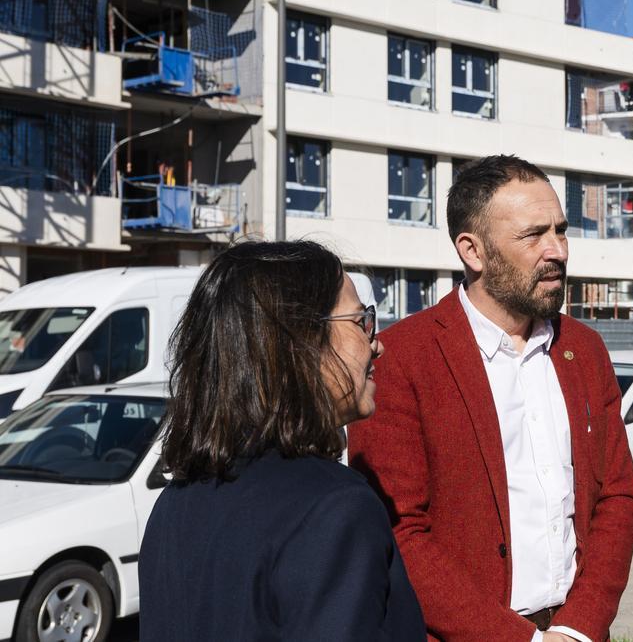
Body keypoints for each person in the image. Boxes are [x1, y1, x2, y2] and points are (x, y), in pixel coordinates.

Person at [350, 155, 633, 642]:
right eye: (533, 235)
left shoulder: (584, 350)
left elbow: (618, 498)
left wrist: (578, 627)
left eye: (561, 230)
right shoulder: (402, 358)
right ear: (473, 250)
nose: (558, 250)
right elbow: (398, 531)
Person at [140, 240, 425, 642]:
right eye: (361, 321)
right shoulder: (335, 508)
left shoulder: (174, 503)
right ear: (300, 341)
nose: (377, 342)